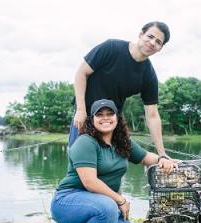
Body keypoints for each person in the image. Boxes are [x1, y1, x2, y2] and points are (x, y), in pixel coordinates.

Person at [51, 99, 170, 223]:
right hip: (68, 201)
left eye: (109, 114)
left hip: (104, 204)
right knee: (107, 207)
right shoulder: (86, 142)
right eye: (100, 114)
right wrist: (120, 200)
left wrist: (166, 160)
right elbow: (90, 182)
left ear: (117, 118)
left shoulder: (122, 142)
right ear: (92, 119)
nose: (105, 118)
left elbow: (147, 158)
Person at [70, 21, 173, 170]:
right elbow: (81, 73)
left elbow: (152, 115)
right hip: (85, 116)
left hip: (111, 122)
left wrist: (162, 154)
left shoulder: (148, 75)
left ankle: (113, 193)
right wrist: (80, 110)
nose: (152, 43)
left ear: (160, 48)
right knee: (79, 166)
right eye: (150, 36)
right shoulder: (111, 48)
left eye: (158, 42)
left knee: (112, 168)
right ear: (141, 34)